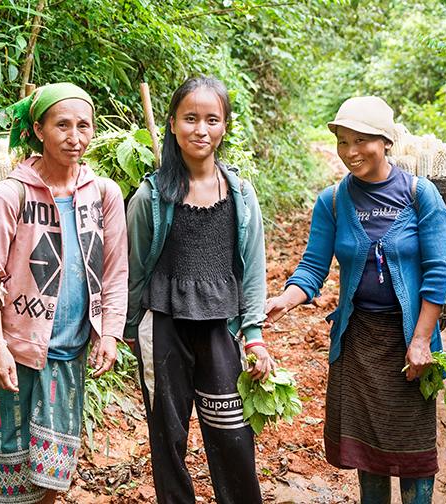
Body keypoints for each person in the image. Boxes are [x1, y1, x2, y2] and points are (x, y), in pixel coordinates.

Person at [265, 96, 446, 503]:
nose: (350, 152)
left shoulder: (421, 197)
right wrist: (287, 299)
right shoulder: (332, 201)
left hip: (409, 343)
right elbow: (313, 267)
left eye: (361, 141)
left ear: (385, 141)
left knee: (413, 449)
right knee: (368, 452)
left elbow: (439, 272)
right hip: (357, 342)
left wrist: (422, 340)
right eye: (343, 141)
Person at [0, 82, 128, 504]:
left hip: (69, 351)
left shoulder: (104, 194)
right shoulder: (10, 194)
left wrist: (109, 333)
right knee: (13, 469)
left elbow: (115, 270)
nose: (74, 137)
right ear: (39, 130)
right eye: (62, 126)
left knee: (53, 474)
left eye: (83, 125)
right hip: (18, 351)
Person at [124, 76, 274, 504]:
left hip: (220, 327)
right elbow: (135, 270)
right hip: (164, 327)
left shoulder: (241, 195)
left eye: (212, 119)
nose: (201, 129)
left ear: (225, 126)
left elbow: (252, 270)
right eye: (190, 118)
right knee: (168, 437)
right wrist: (132, 330)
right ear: (172, 124)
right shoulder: (151, 198)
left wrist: (255, 334)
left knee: (232, 434)